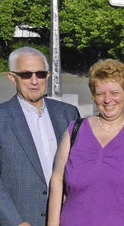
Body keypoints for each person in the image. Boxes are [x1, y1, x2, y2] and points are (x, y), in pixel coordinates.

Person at [47, 59, 124, 225]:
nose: (107, 100)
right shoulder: (75, 131)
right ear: (93, 96)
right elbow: (57, 179)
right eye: (100, 94)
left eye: (115, 93)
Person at [0, 47, 79, 226]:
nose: (35, 81)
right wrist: (15, 222)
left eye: (41, 74)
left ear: (48, 76)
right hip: (22, 220)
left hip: (67, 218)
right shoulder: (2, 118)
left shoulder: (68, 114)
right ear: (12, 77)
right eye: (26, 75)